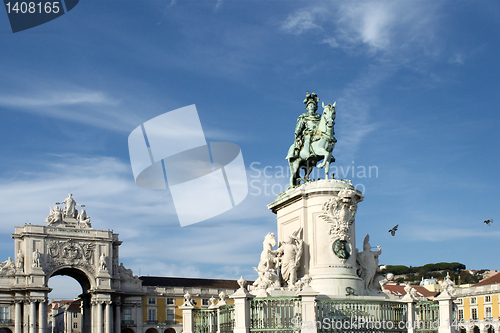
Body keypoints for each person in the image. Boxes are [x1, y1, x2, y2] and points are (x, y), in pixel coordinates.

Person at [287, 92, 321, 160]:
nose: (311, 107)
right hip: (308, 132)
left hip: (318, 133)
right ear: (307, 108)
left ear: (315, 107)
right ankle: (307, 154)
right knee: (307, 138)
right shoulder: (304, 117)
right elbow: (299, 127)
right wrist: (297, 134)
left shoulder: (319, 117)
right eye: (309, 106)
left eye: (313, 106)